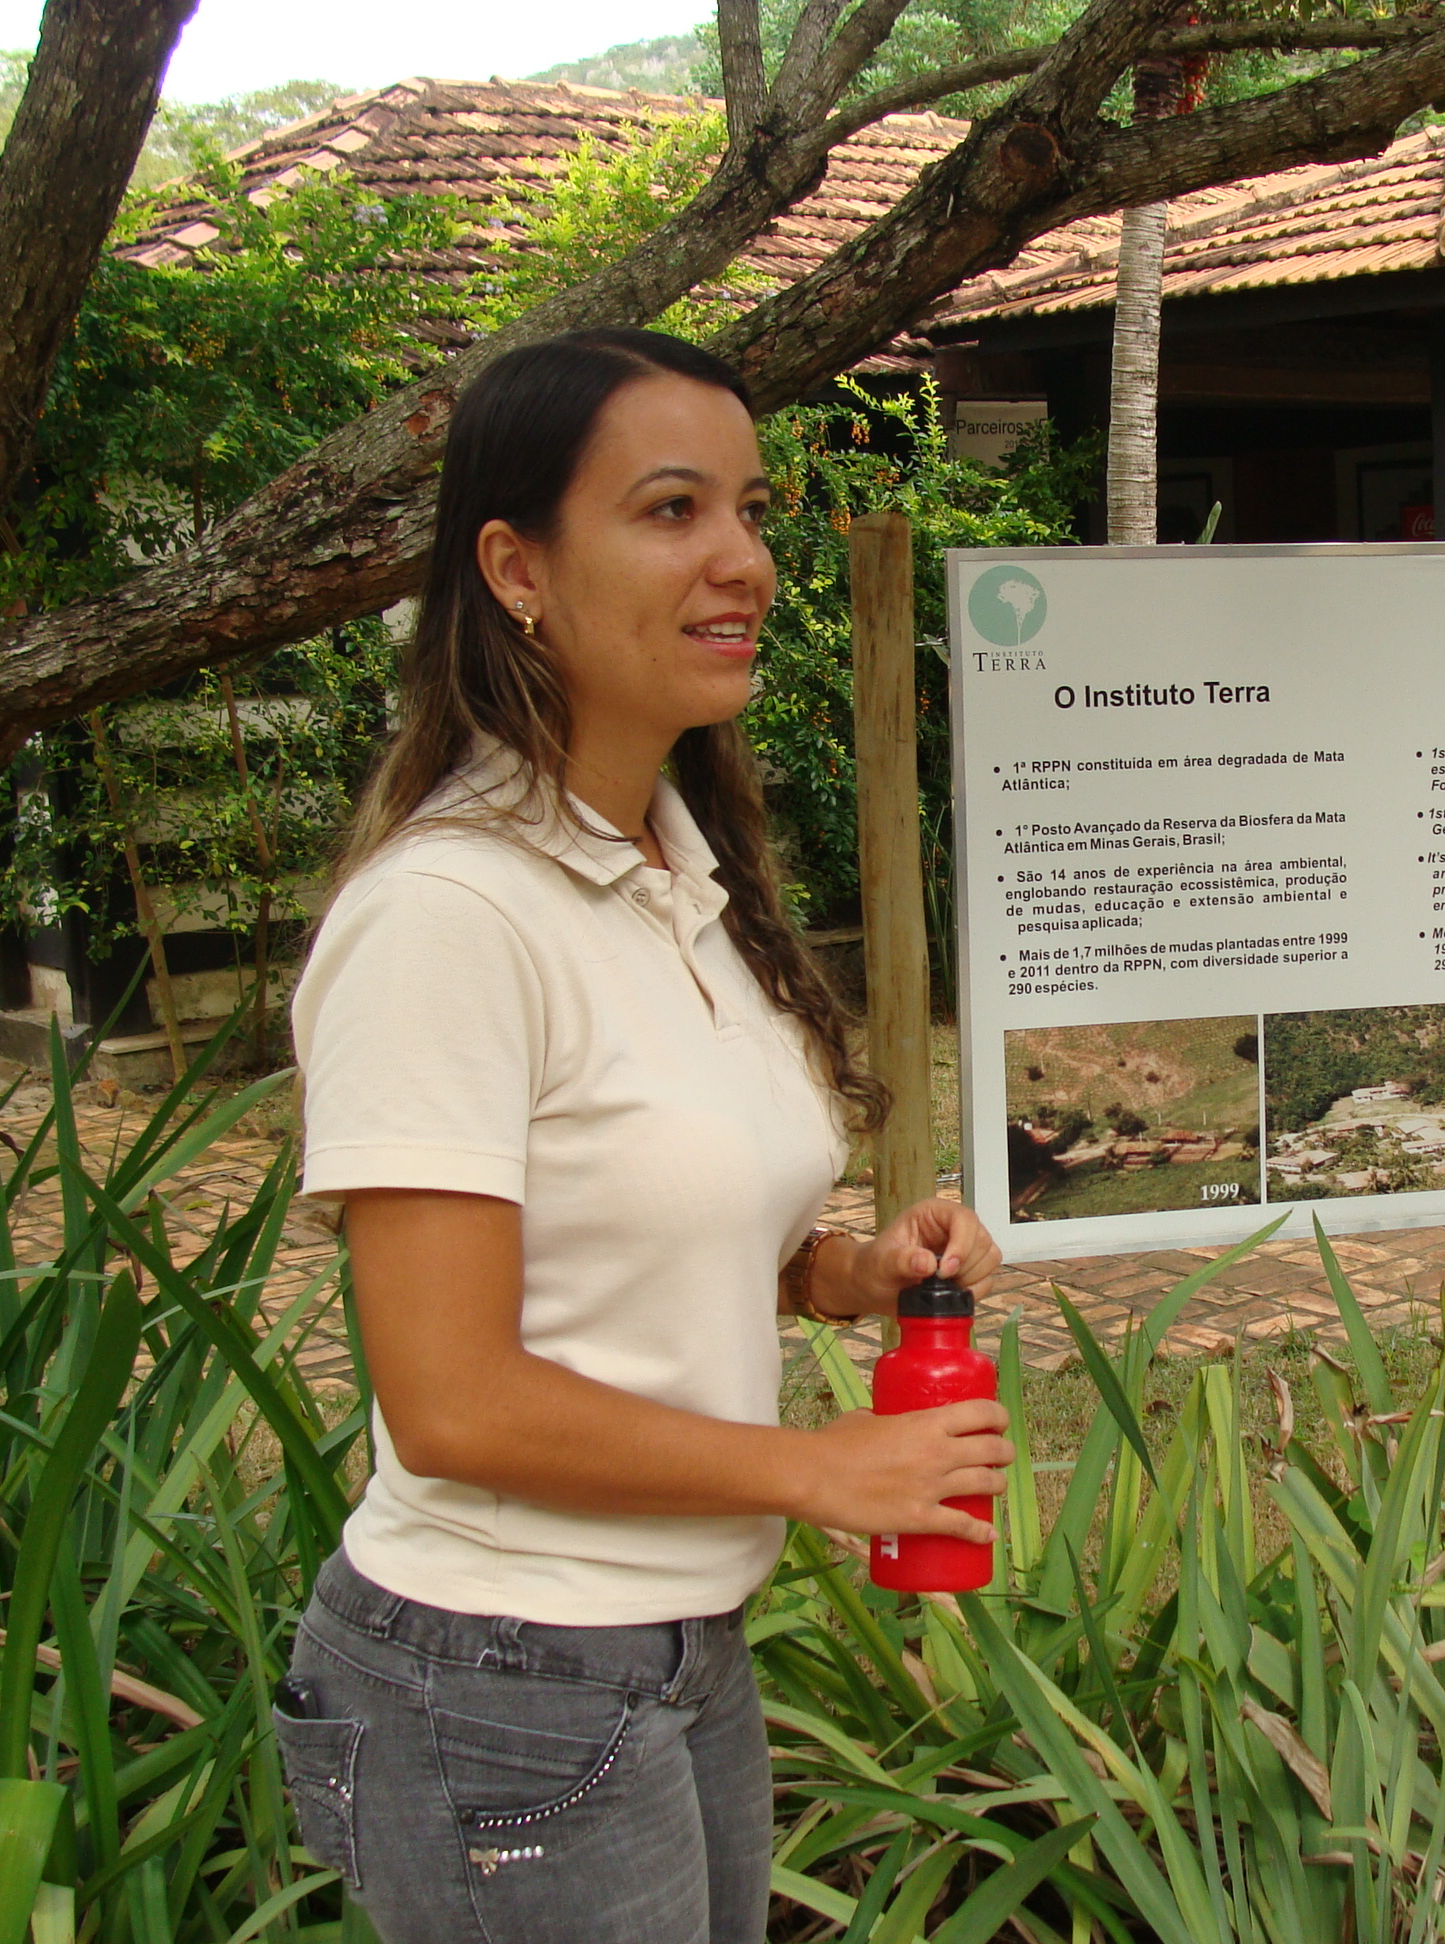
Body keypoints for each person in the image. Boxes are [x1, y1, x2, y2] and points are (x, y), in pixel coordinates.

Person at [272, 327, 1012, 1944]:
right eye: (672, 510)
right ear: (516, 567)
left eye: (749, 510)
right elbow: (453, 1397)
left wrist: (838, 1274)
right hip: (498, 1674)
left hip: (672, 1646)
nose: (740, 559)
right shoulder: (451, 917)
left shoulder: (679, 876)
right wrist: (821, 1472)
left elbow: (628, 1244)